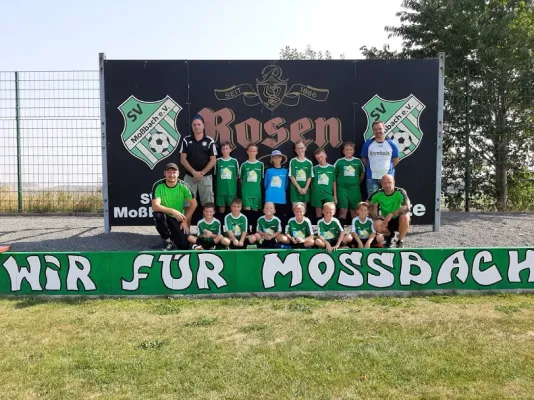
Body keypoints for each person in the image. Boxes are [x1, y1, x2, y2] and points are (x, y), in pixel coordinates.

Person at [152, 163, 198, 250]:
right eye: (169, 172)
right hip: (165, 215)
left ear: (178, 173)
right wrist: (173, 211)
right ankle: (167, 241)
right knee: (158, 215)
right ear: (164, 173)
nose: (171, 175)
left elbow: (194, 204)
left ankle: (173, 235)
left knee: (184, 245)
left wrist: (185, 220)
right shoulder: (158, 185)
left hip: (178, 218)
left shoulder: (184, 186)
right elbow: (155, 206)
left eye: (174, 172)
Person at [179, 114, 218, 205]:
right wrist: (194, 173)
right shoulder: (186, 140)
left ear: (203, 126)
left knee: (208, 205)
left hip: (206, 177)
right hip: (190, 176)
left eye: (199, 124)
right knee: (187, 204)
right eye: (194, 125)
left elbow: (213, 160)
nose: (197, 127)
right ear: (192, 127)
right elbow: (183, 160)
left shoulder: (210, 141)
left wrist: (202, 173)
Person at [369, 174, 410, 248]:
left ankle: (400, 241)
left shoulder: (400, 191)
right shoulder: (378, 193)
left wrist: (391, 214)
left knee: (405, 216)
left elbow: (407, 207)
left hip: (398, 219)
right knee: (376, 224)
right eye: (384, 183)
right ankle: (390, 236)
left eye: (389, 182)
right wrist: (374, 216)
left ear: (394, 182)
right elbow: (365, 205)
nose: (387, 185)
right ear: (381, 184)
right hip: (385, 221)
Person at [360, 120, 400, 199]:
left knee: (389, 201)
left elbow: (396, 159)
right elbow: (364, 158)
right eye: (375, 129)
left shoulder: (392, 144)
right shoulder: (368, 144)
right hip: (372, 178)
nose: (378, 131)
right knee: (373, 201)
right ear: (373, 131)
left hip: (387, 178)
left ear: (384, 128)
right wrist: (371, 168)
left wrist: (387, 169)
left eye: (380, 129)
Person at [333, 142, 364, 224]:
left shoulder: (358, 161)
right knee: (343, 210)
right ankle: (341, 228)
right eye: (346, 150)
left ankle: (354, 229)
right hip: (342, 189)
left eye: (350, 149)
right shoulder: (339, 162)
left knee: (354, 210)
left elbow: (362, 173)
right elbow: (333, 175)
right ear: (343, 151)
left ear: (353, 151)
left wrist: (357, 182)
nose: (348, 151)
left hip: (354, 189)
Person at [264, 150, 289, 225]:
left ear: (281, 158)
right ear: (272, 159)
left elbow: (286, 185)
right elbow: (266, 184)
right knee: (269, 217)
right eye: (275, 158)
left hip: (281, 198)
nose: (277, 159)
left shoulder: (285, 171)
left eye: (278, 157)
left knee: (280, 217)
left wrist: (280, 191)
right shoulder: (269, 171)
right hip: (270, 197)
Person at [239, 143, 264, 217]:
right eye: (250, 151)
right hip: (246, 193)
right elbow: (241, 179)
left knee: (255, 213)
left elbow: (261, 179)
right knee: (247, 212)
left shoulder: (260, 164)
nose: (252, 153)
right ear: (247, 152)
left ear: (257, 152)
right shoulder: (244, 165)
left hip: (256, 193)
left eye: (254, 151)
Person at [311, 148, 335, 219]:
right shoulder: (314, 168)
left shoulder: (332, 168)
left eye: (321, 157)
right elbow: (311, 182)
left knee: (330, 211)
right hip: (317, 194)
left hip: (328, 193)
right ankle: (319, 224)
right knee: (318, 213)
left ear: (325, 156)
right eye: (318, 158)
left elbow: (334, 182)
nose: (320, 159)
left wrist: (335, 196)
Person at [215, 142, 239, 214]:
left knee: (232, 208)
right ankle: (222, 220)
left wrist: (231, 184)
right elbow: (215, 174)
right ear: (221, 150)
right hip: (221, 189)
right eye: (223, 149)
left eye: (227, 148)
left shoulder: (234, 161)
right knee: (221, 208)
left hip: (231, 190)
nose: (225, 150)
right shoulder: (217, 161)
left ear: (230, 150)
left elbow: (237, 175)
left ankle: (230, 220)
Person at [288, 140, 314, 206]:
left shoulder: (309, 162)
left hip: (305, 189)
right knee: (295, 208)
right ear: (295, 150)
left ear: (305, 148)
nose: (300, 150)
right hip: (295, 189)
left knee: (303, 209)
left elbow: (310, 177)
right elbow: (291, 176)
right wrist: (299, 188)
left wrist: (305, 188)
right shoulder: (292, 161)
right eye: (298, 148)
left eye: (302, 148)